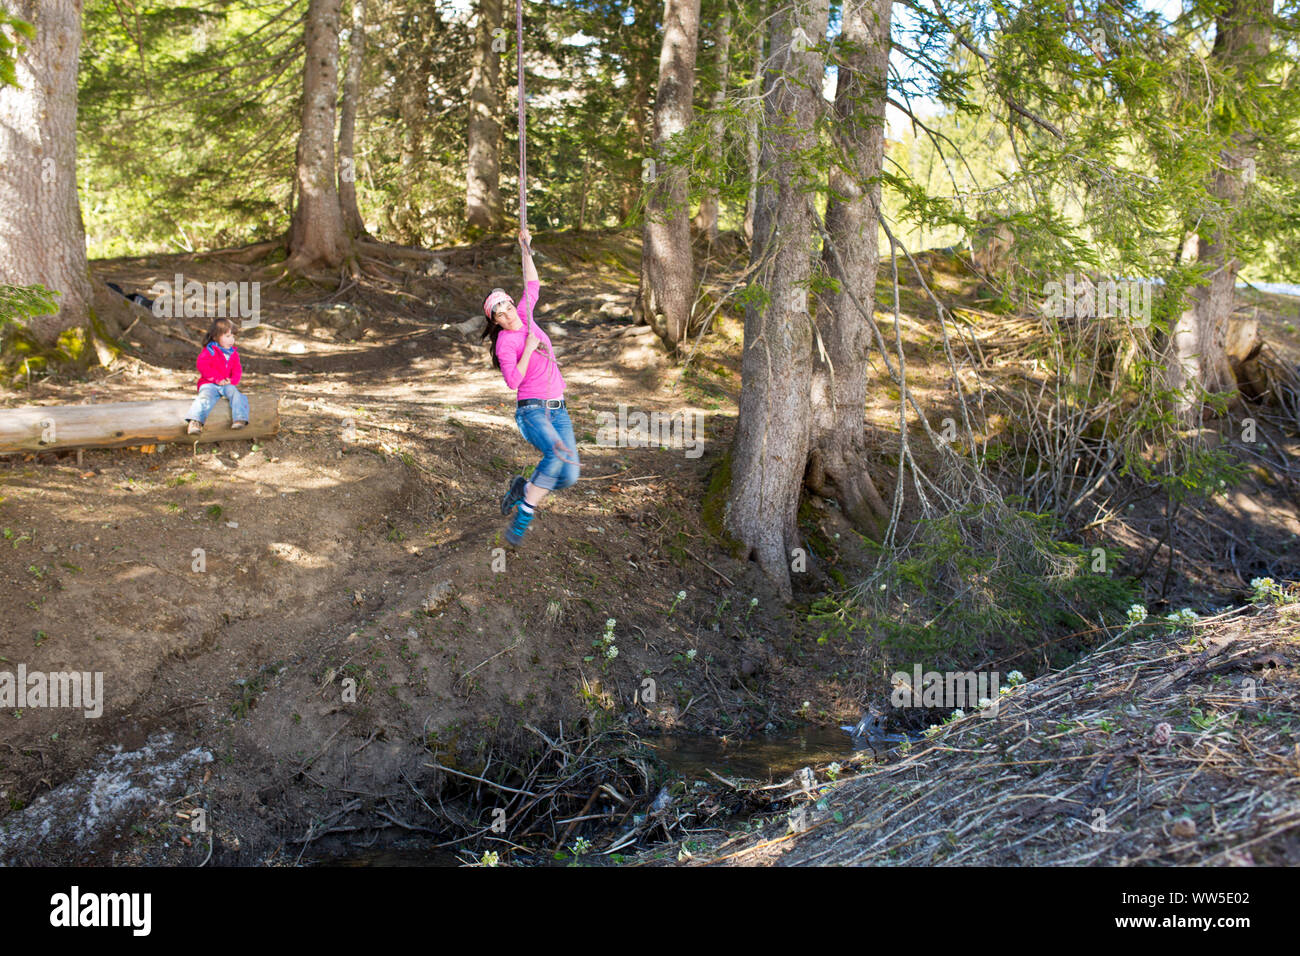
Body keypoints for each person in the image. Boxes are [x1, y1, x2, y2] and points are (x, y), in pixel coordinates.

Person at [482, 227, 579, 545]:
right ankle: (524, 513)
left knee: (569, 473)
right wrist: (530, 346)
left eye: (507, 306)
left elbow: (533, 283)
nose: (507, 314)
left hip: (558, 409)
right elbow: (513, 381)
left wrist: (525, 248)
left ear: (513, 304)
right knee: (556, 452)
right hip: (532, 410)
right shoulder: (506, 344)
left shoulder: (526, 313)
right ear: (495, 322)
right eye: (499, 314)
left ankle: (522, 488)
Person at [186, 318, 249, 435]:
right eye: (227, 336)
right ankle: (195, 421)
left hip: (226, 384)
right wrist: (216, 379)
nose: (232, 340)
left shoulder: (233, 354)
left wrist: (233, 380)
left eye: (233, 336)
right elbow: (203, 366)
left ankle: (240, 418)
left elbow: (237, 369)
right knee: (205, 397)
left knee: (236, 393)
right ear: (215, 337)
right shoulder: (209, 351)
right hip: (209, 383)